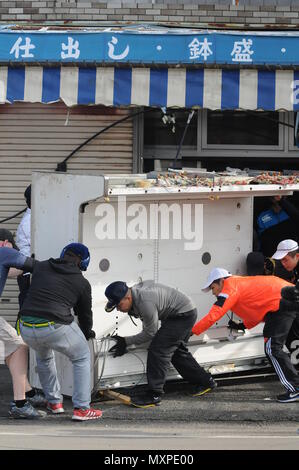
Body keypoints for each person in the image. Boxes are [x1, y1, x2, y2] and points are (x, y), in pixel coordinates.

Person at [18, 242, 102, 421]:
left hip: (26, 326)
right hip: (53, 325)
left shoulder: (41, 266)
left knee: (44, 357)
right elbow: (85, 315)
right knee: (81, 356)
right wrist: (86, 334)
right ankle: (82, 409)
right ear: (84, 263)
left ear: (64, 254)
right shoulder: (82, 282)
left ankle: (55, 403)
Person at [192, 267, 299, 403]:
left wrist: (192, 330)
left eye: (213, 288)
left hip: (282, 303)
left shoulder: (229, 288)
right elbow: (257, 309)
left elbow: (214, 314)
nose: (213, 293)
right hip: (288, 298)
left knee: (272, 349)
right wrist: (243, 325)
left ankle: (295, 389)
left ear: (220, 281)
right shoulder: (239, 283)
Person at [104, 280, 216, 408]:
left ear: (128, 297)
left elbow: (150, 333)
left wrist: (125, 342)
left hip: (182, 315)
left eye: (118, 305)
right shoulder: (135, 295)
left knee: (158, 350)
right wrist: (128, 343)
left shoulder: (144, 302)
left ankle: (154, 395)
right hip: (180, 312)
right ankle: (206, 381)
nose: (118, 310)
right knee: (176, 351)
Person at [0, 231, 46, 419]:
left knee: (13, 347)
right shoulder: (3, 252)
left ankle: (28, 393)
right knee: (19, 347)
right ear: (4, 242)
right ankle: (20, 403)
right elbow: (34, 266)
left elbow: (12, 271)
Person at [16, 185, 31, 307]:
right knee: (27, 312)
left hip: (29, 274)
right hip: (28, 276)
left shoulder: (36, 217)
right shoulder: (29, 222)